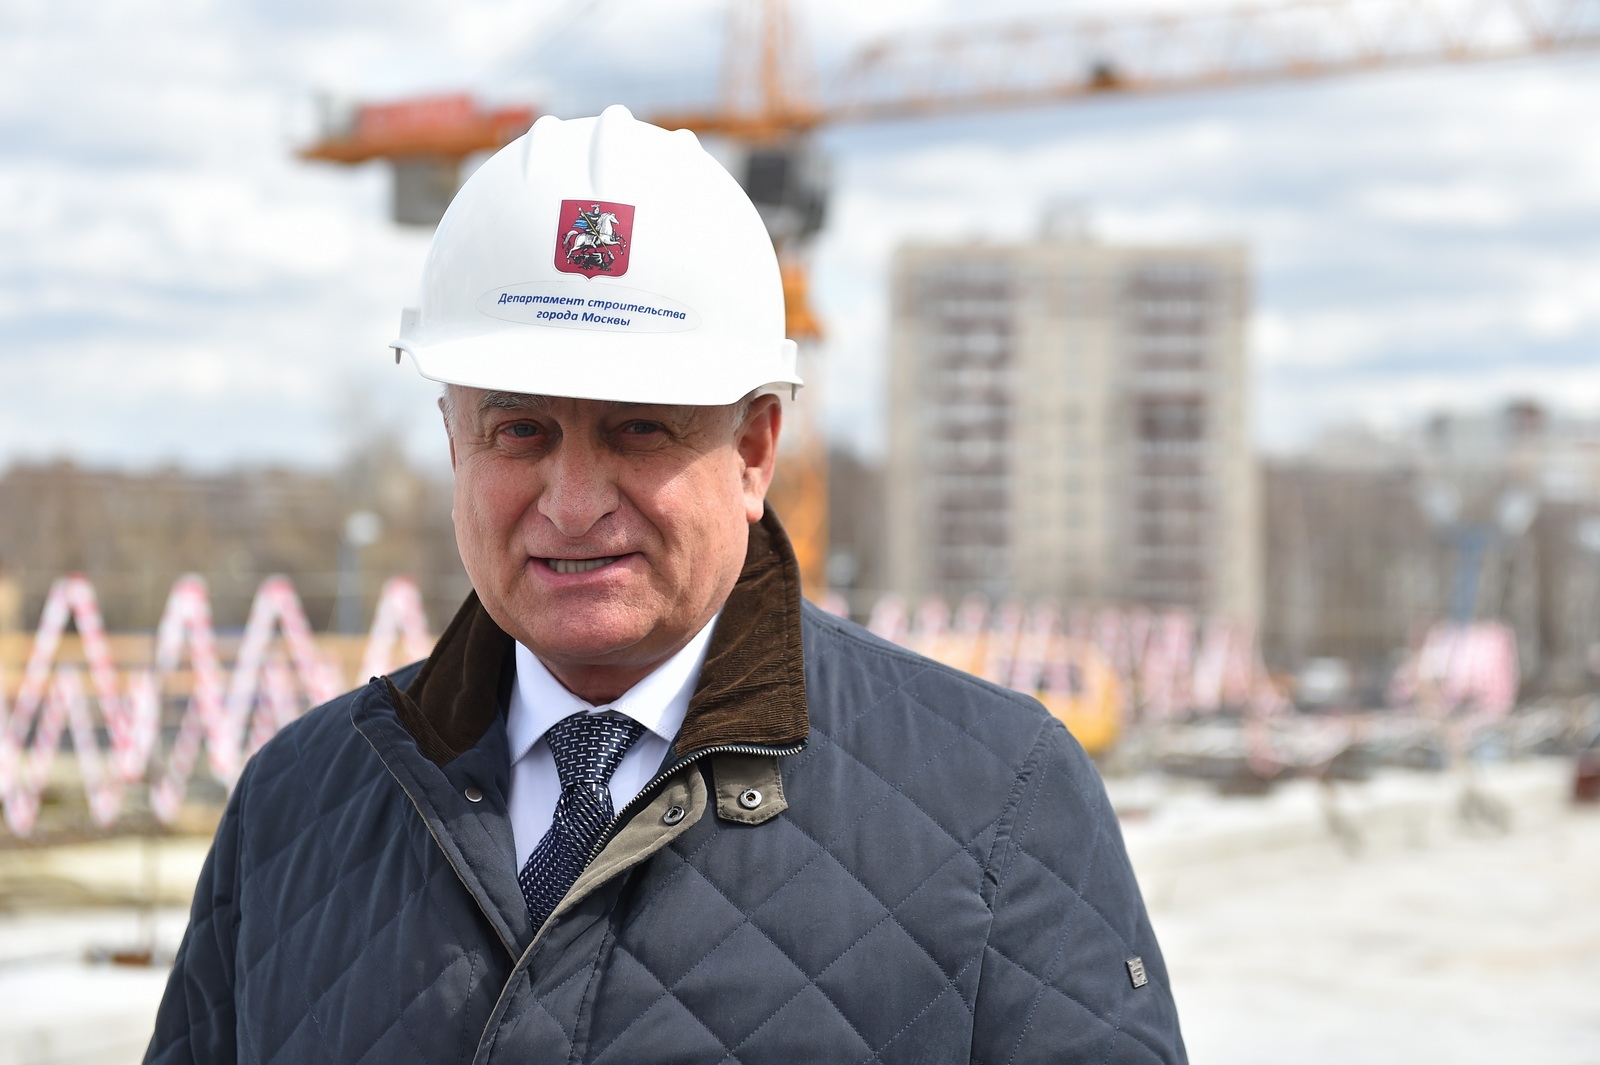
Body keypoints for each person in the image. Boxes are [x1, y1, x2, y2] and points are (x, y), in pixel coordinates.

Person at [146, 106, 1185, 1064]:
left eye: (639, 429)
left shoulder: (996, 803)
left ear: (755, 449)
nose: (572, 503)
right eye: (521, 430)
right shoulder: (296, 805)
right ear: (454, 440)